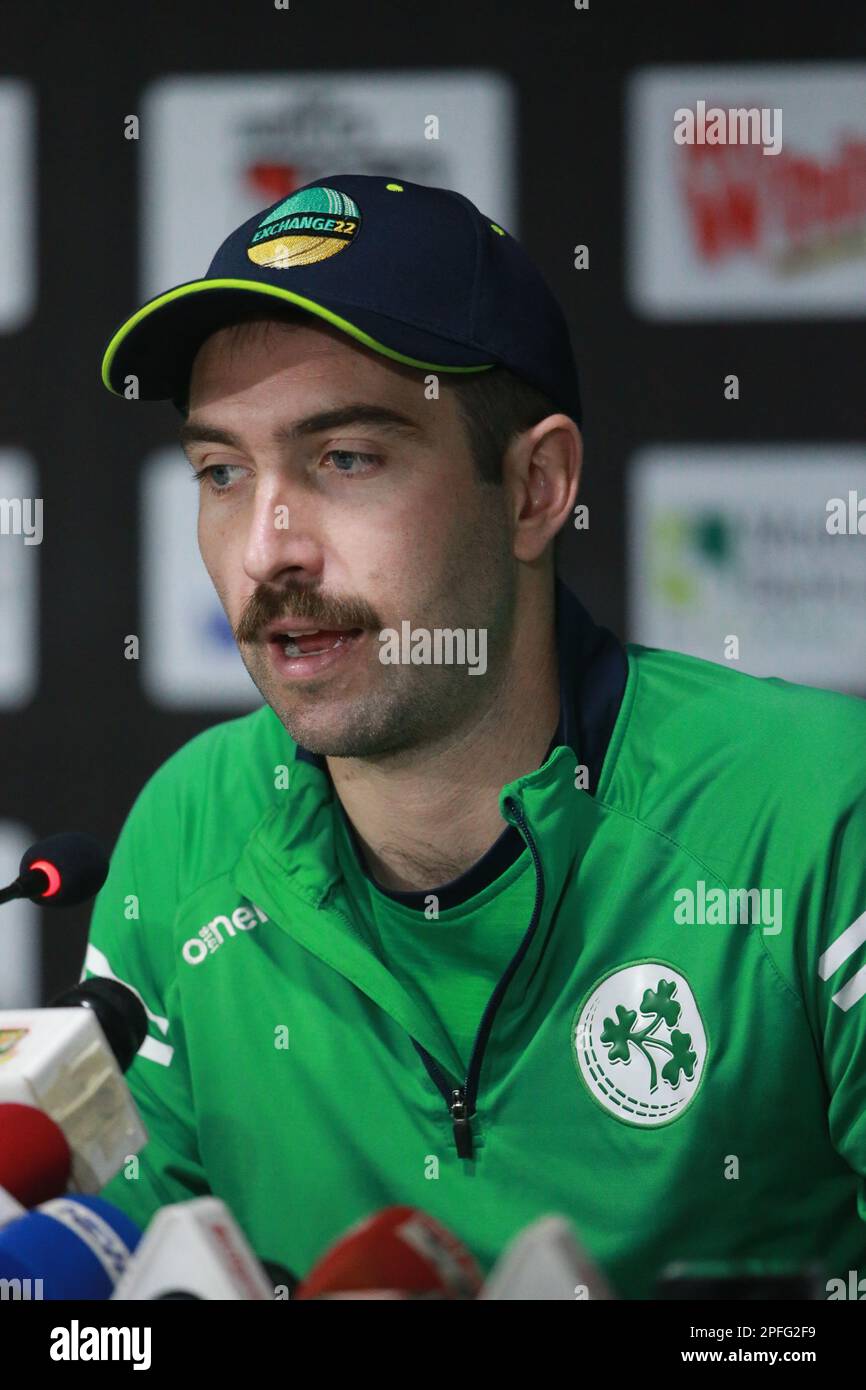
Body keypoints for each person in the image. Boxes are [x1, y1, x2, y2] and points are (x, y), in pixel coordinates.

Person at [85, 174, 866, 1298]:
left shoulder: (815, 817)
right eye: (223, 473)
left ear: (534, 488)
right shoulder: (186, 832)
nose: (266, 549)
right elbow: (122, 1303)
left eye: (345, 458)